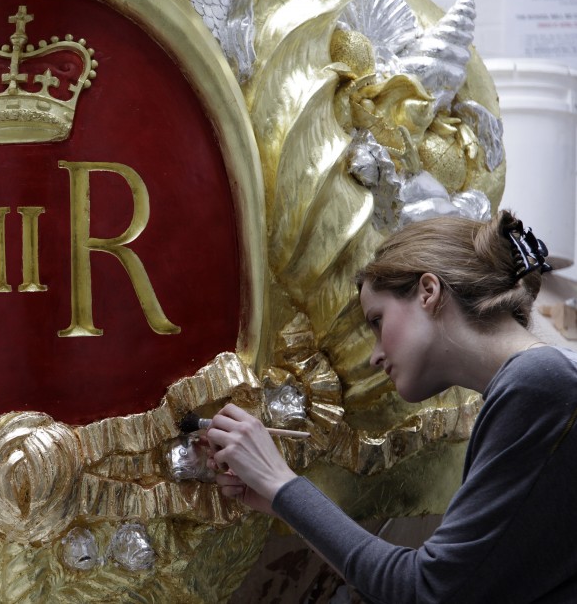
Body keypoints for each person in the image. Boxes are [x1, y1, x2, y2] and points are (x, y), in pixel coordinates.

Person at [207, 210, 577, 603]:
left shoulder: (541, 384)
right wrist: (282, 501)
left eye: (377, 321)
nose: (375, 357)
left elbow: (423, 591)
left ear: (428, 292)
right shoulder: (541, 383)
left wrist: (281, 483)